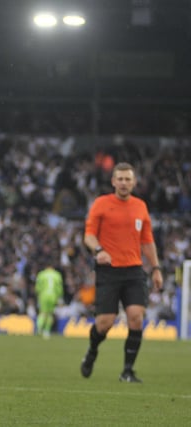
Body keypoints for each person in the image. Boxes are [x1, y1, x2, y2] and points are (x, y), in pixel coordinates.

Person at [80, 162, 163, 383]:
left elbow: (147, 241)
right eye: (121, 179)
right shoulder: (101, 204)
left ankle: (127, 371)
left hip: (134, 271)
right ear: (113, 181)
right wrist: (99, 250)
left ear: (134, 182)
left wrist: (156, 268)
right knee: (104, 323)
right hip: (108, 271)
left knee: (136, 317)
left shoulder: (140, 207)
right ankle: (92, 351)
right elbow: (88, 235)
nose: (124, 183)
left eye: (128, 179)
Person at [34, 264, 64, 339]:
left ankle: (39, 329)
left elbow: (38, 287)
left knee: (43, 312)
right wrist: (59, 296)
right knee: (50, 314)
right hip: (53, 295)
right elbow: (59, 288)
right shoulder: (57, 275)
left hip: (44, 295)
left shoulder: (42, 274)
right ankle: (46, 331)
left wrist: (38, 293)